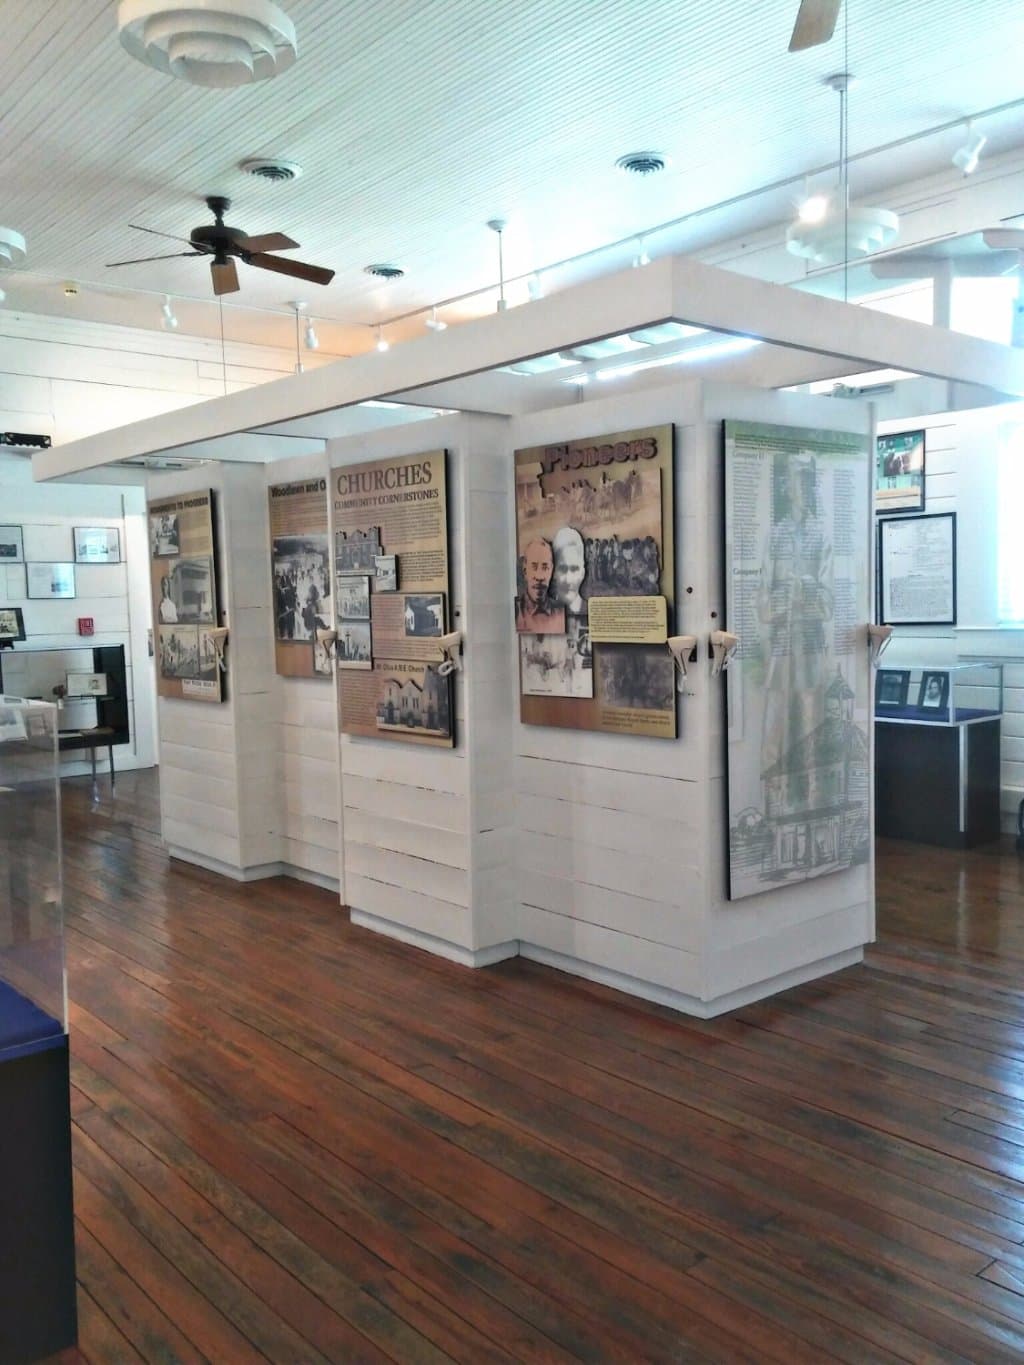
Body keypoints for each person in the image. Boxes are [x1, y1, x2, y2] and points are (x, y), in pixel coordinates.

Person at [516, 537, 564, 633]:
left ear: (551, 571)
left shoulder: (561, 612)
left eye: (545, 568)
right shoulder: (516, 612)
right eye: (534, 567)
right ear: (525, 572)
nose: (539, 577)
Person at [551, 526, 587, 620]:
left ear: (582, 572)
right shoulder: (544, 615)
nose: (568, 579)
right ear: (553, 572)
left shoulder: (592, 613)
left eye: (574, 569)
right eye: (562, 569)